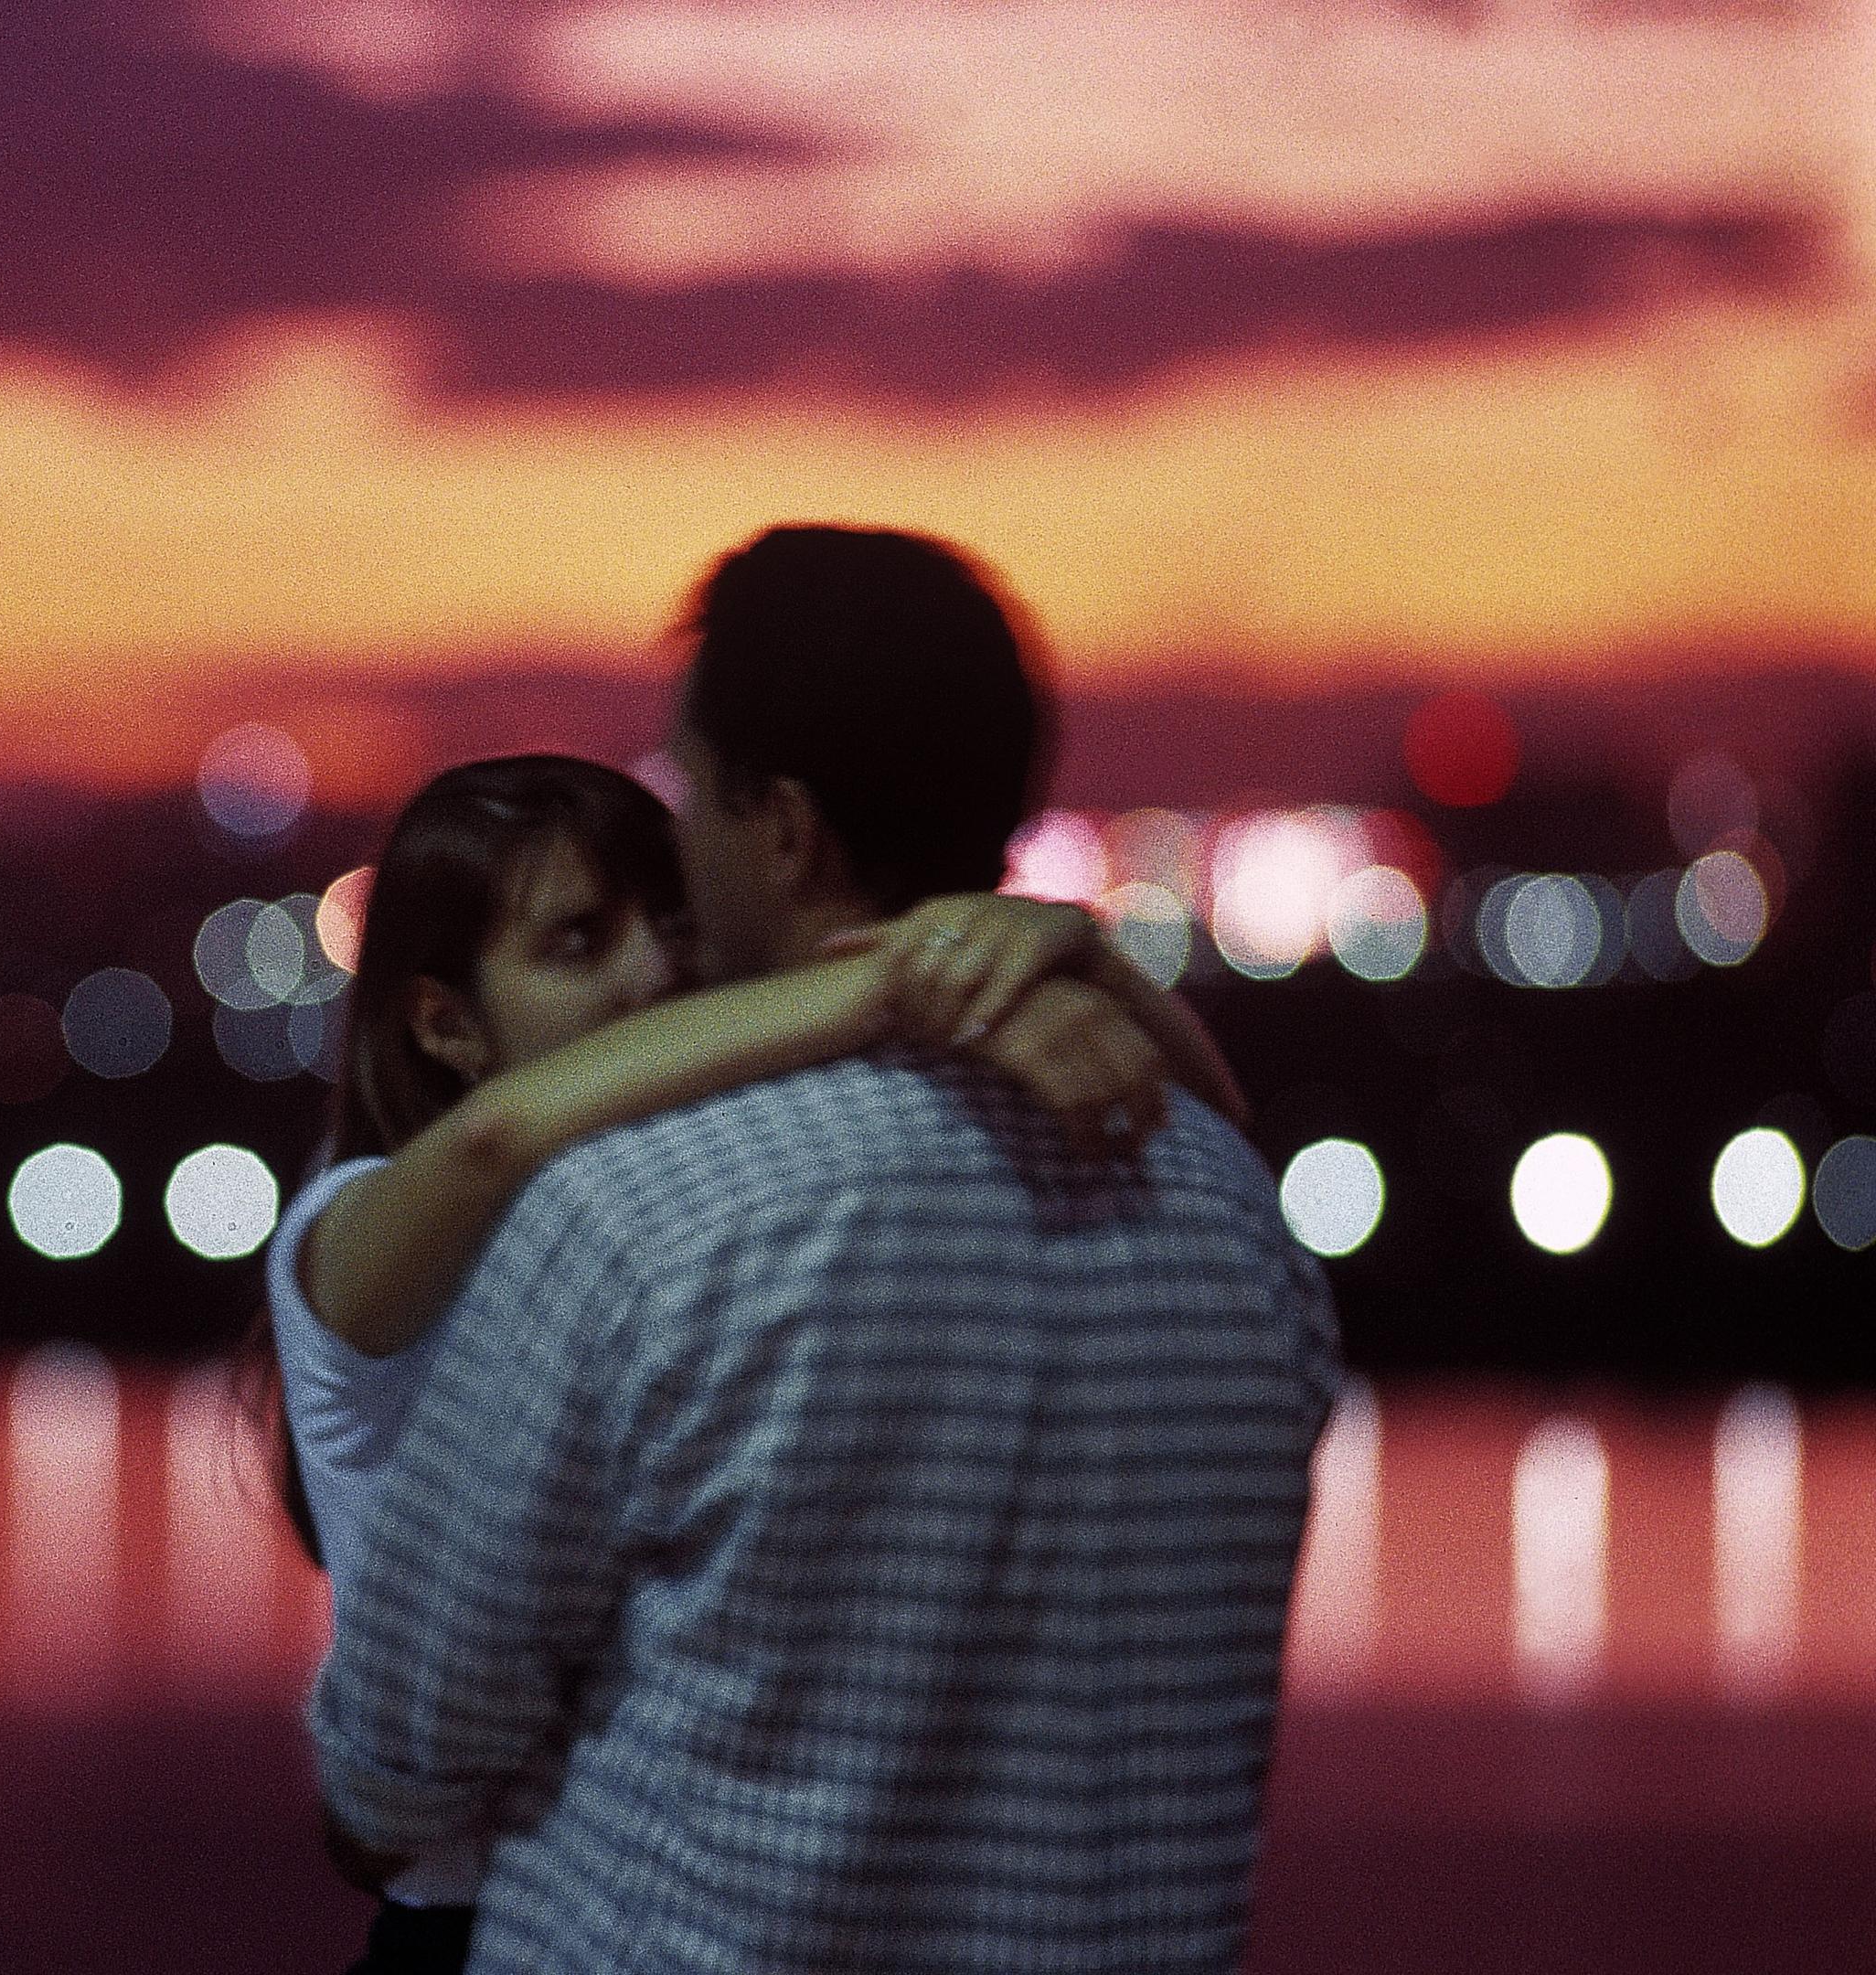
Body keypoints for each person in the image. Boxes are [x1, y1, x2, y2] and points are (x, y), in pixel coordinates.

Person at [304, 526, 1340, 1974]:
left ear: (780, 830)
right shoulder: (1239, 1223)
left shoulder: (637, 1221)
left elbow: (394, 1765)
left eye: (689, 798)